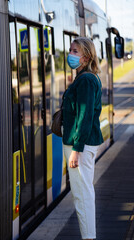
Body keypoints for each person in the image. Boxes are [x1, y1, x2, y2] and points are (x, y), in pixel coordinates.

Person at [62, 37, 104, 240]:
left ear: (86, 56)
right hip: (82, 144)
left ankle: (89, 237)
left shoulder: (86, 80)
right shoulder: (87, 77)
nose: (70, 54)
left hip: (80, 146)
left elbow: (85, 116)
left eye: (74, 51)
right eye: (70, 50)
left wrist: (76, 150)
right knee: (83, 193)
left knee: (82, 196)